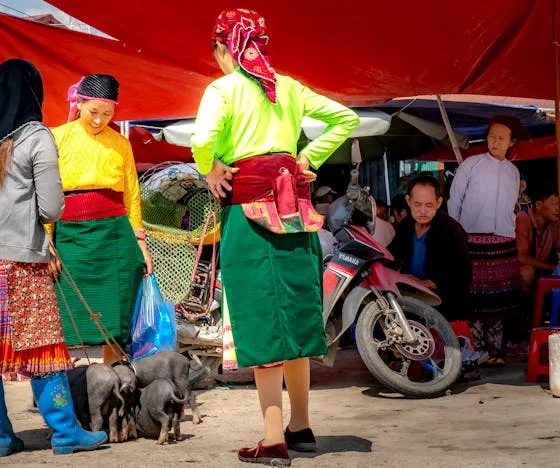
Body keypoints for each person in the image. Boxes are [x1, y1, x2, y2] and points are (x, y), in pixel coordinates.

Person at [191, 9, 359, 465]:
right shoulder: (290, 87)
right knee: (299, 316)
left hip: (248, 215)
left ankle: (272, 440)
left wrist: (210, 167)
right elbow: (345, 119)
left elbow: (203, 138)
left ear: (224, 49)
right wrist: (308, 158)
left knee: (262, 319)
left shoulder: (222, 89)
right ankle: (300, 428)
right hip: (294, 212)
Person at [0, 59, 107, 457]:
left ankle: (1, 438)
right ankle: (65, 433)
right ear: (34, 93)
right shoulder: (37, 137)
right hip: (17, 262)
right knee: (42, 348)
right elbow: (52, 208)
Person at [50, 74, 153, 365]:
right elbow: (44, 194)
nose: (99, 120)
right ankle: (60, 383)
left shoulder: (121, 143)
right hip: (69, 237)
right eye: (93, 112)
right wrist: (47, 242)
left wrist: (141, 245)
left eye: (107, 114)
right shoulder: (57, 138)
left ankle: (114, 380)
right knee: (66, 315)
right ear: (78, 103)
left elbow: (132, 195)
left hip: (115, 238)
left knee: (116, 317)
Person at [447, 115, 524, 366]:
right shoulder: (471, 164)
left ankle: (497, 353)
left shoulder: (513, 172)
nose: (495, 141)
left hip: (503, 241)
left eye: (501, 138)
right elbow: (454, 200)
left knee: (500, 301)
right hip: (472, 239)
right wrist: (456, 236)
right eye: (492, 136)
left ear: (511, 142)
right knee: (475, 300)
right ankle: (477, 350)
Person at [389, 176, 472, 321]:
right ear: (409, 201)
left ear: (438, 202)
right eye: (417, 204)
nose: (422, 211)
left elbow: (463, 272)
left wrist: (426, 283)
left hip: (444, 304)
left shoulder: (452, 230)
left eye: (428, 205)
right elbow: (391, 256)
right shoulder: (406, 226)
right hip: (412, 299)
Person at [515, 189, 560, 292]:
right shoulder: (523, 219)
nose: (558, 209)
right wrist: (552, 267)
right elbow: (521, 257)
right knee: (527, 272)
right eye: (554, 204)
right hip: (523, 271)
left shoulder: (555, 221)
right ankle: (525, 307)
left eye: (559, 204)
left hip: (544, 270)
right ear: (539, 205)